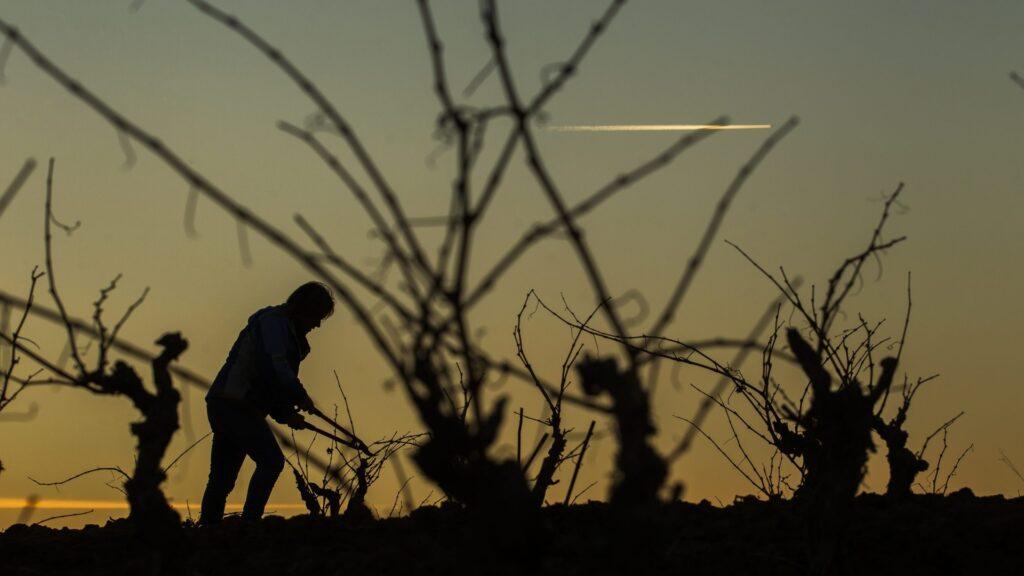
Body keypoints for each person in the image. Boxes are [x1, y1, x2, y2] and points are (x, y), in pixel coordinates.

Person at [199, 282, 334, 524]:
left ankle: (209, 530)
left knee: (222, 478)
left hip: (225, 403)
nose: (317, 325)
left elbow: (268, 384)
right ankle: (249, 524)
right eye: (316, 317)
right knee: (271, 462)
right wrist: (298, 397)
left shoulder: (282, 329)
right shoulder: (274, 324)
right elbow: (273, 369)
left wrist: (286, 412)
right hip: (236, 405)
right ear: (304, 309)